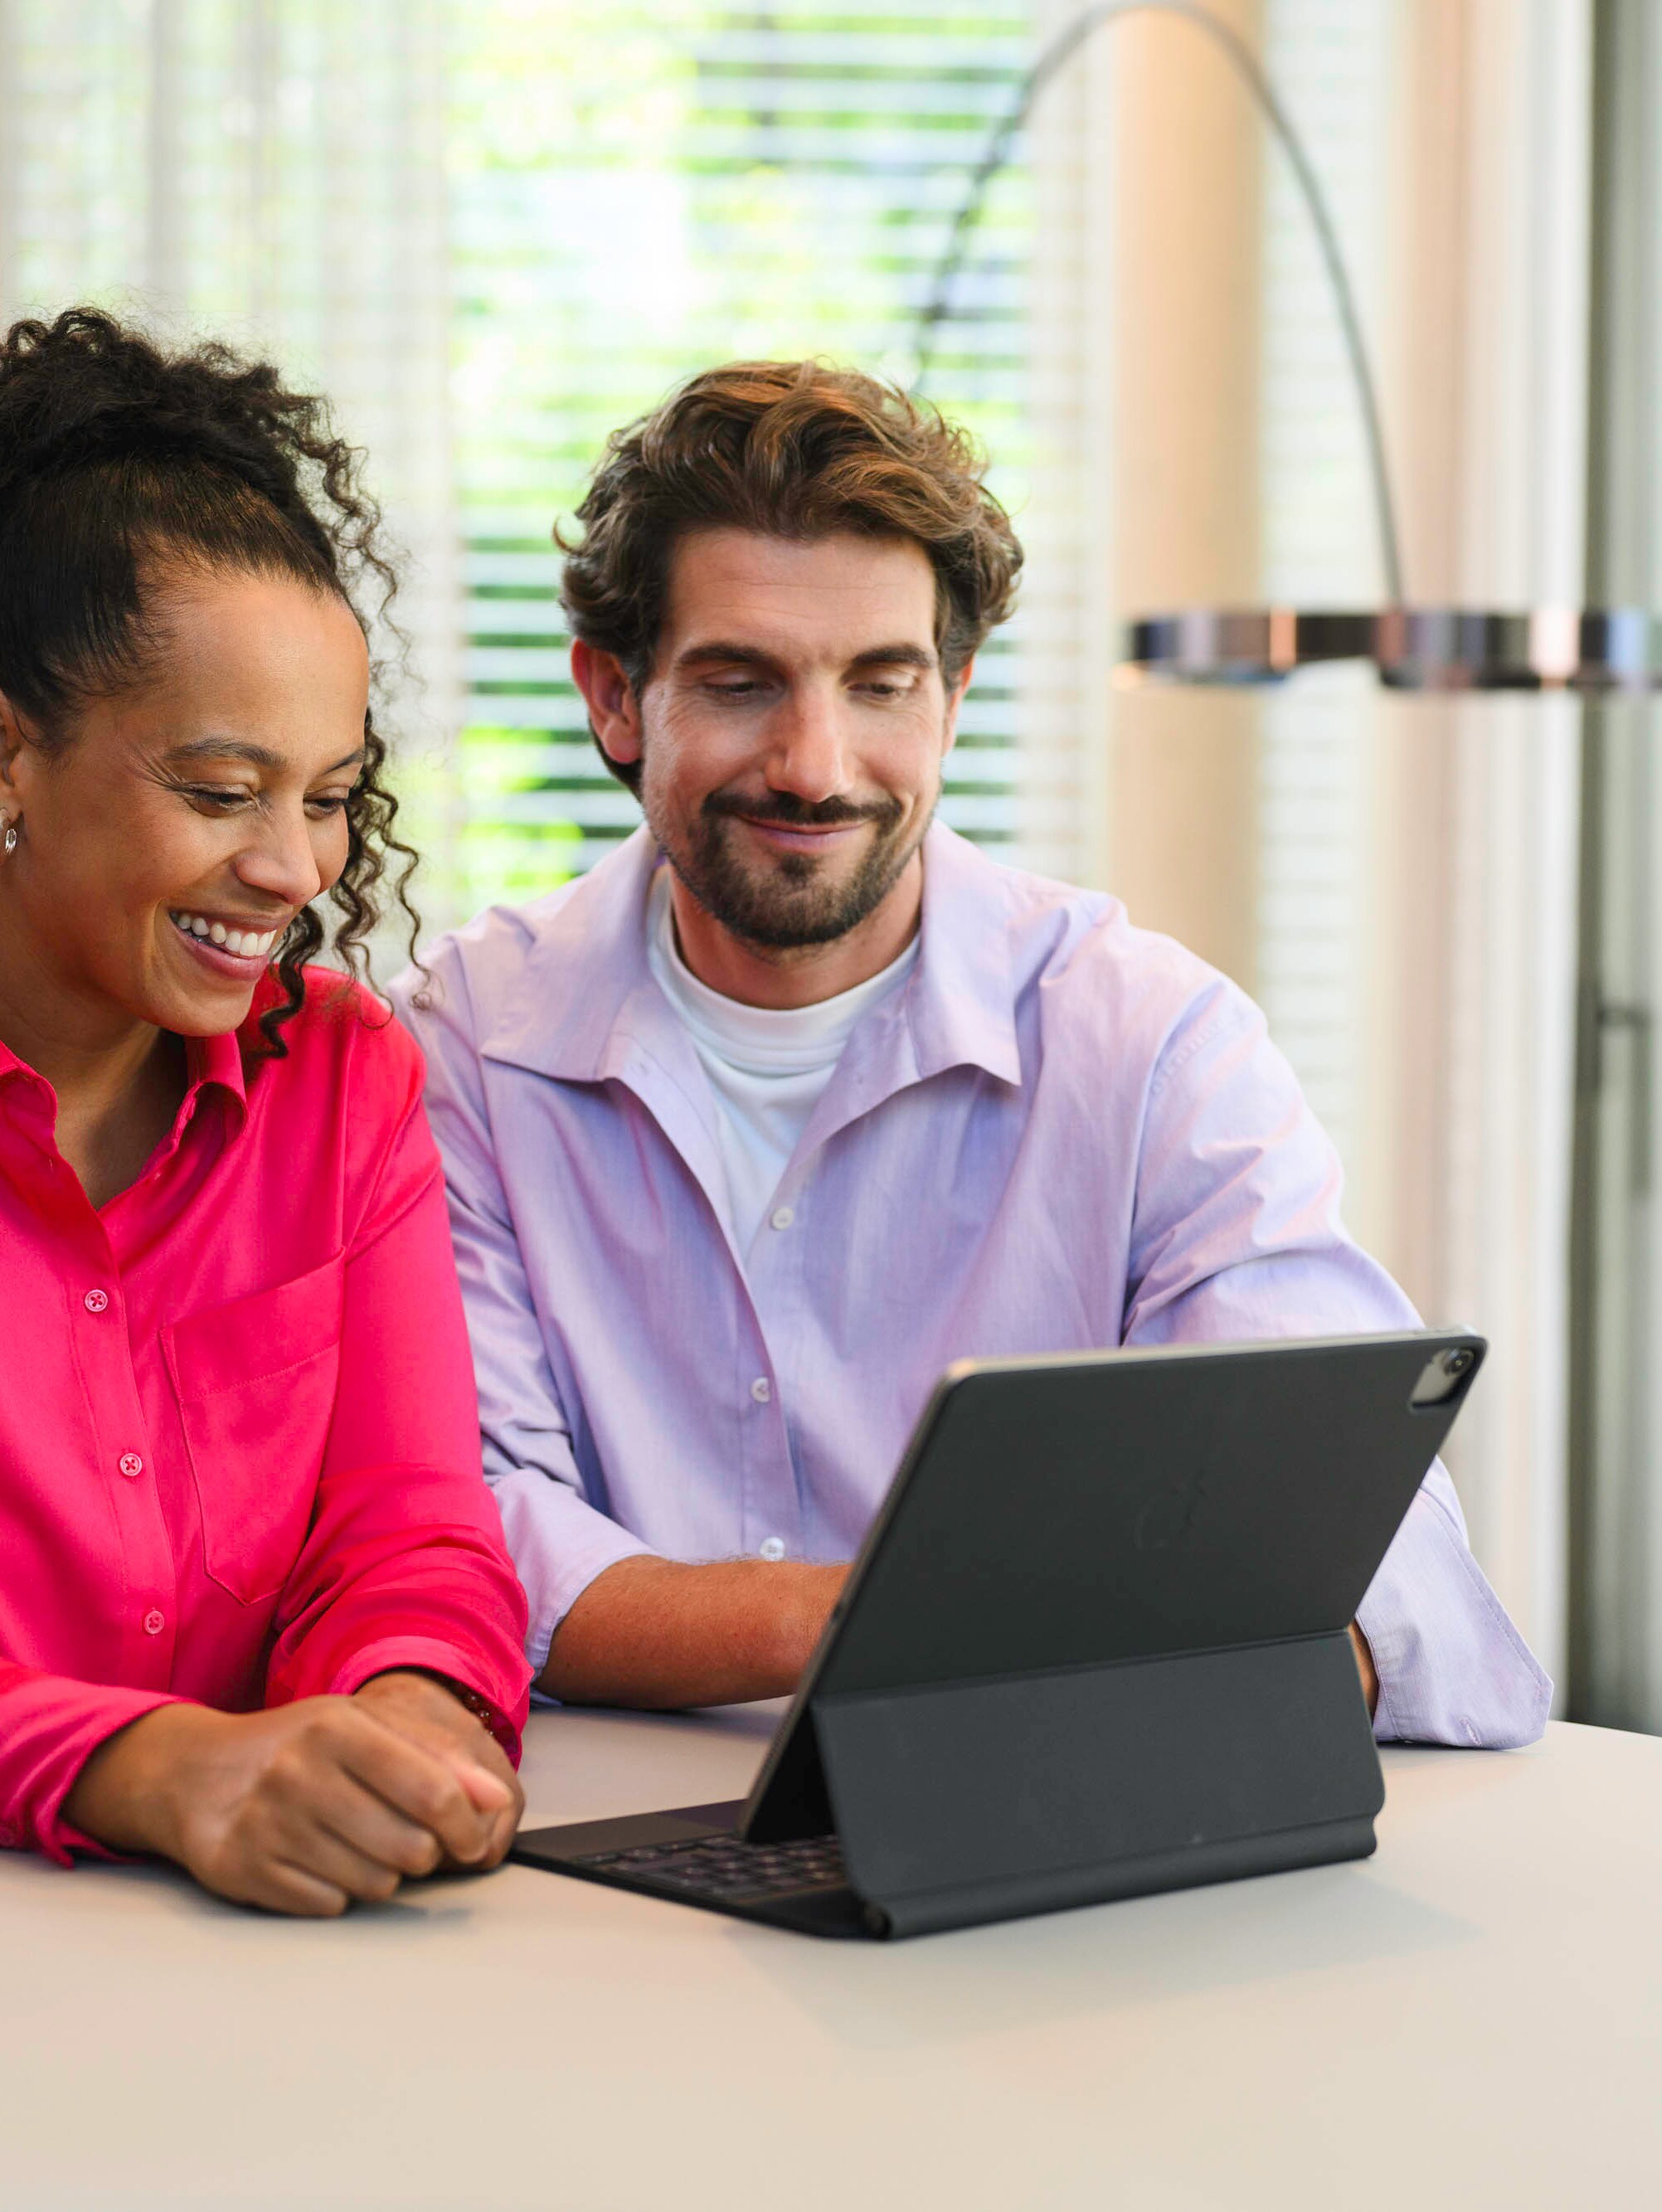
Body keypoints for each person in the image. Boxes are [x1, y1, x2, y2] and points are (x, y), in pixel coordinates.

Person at [395, 359, 1549, 1745]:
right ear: (615, 697)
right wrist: (915, 1626)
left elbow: (1368, 1535)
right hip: (603, 1844)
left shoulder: (1150, 1042)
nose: (815, 764)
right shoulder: (465, 1042)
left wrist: (1236, 1660)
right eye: (741, 681)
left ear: (950, 697)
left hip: (1059, 1824)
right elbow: (456, 1526)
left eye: (879, 683)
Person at [0, 309, 532, 1916]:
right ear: (11, 759)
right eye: (224, 792)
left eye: (330, 794)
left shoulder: (343, 1078)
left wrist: (408, 1722)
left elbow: (415, 1531)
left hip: (258, 1978)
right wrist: (156, 1765)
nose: (296, 870)